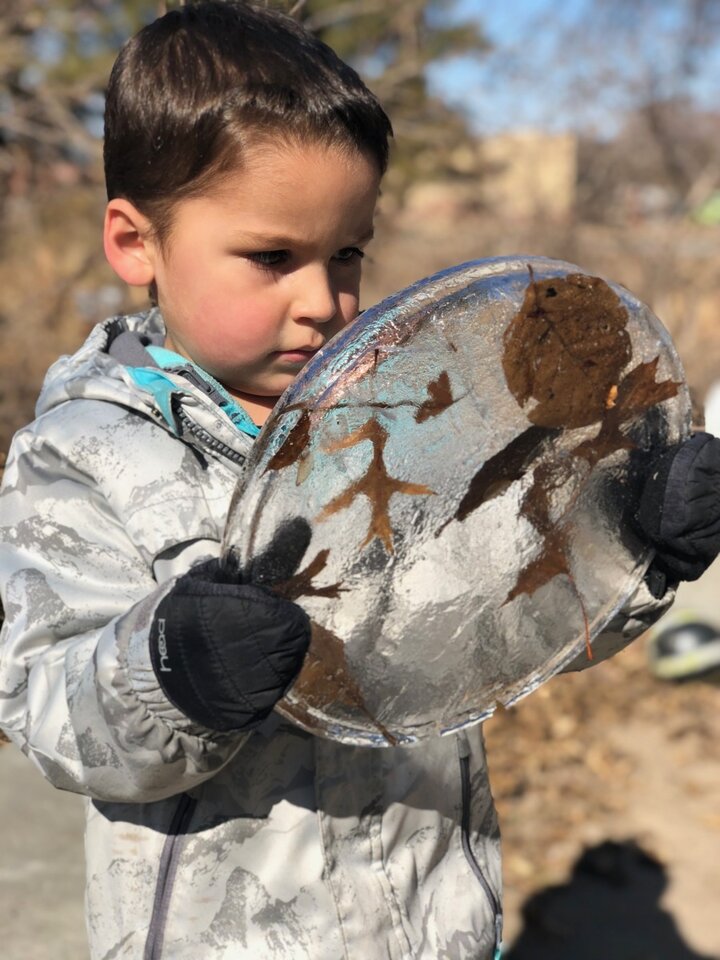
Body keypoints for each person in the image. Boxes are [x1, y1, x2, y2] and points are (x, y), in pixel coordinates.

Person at [0, 4, 719, 959]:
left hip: (437, 921)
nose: (324, 301)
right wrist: (169, 676)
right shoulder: (83, 452)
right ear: (136, 244)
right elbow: (41, 707)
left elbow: (494, 631)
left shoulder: (396, 421)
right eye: (271, 257)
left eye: (347, 253)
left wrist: (626, 545)